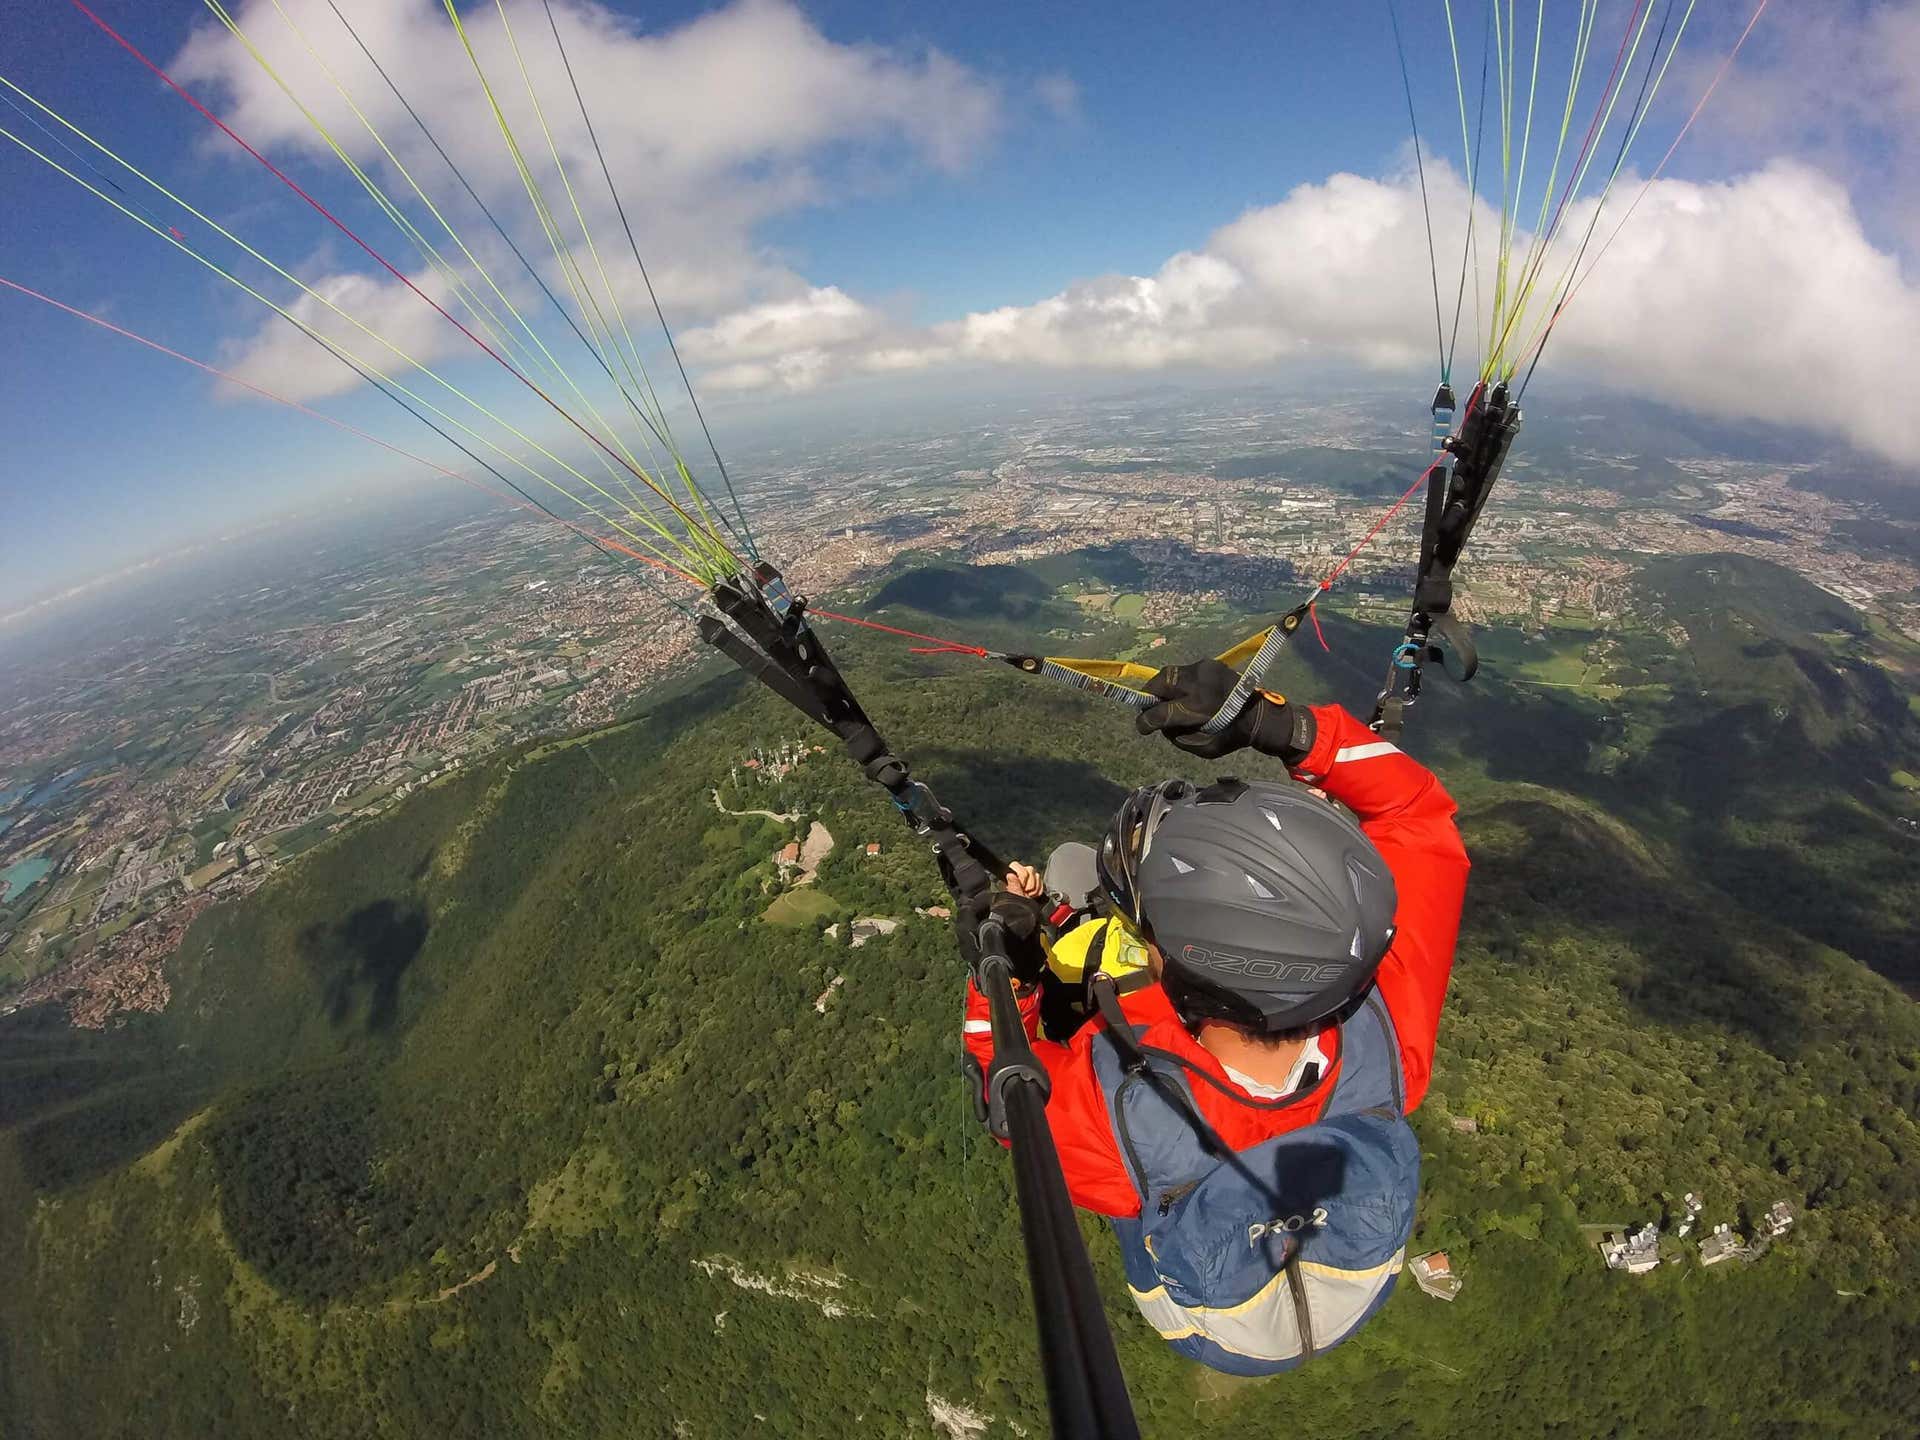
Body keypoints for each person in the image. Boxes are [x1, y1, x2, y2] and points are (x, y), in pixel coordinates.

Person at [961, 659, 1469, 1376]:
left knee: (1141, 1195)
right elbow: (1417, 813)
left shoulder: (1117, 1120)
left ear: (1180, 976)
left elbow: (998, 1085)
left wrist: (1007, 970)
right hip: (1350, 1278)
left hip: (1206, 1327)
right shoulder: (1389, 1035)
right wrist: (1284, 729)